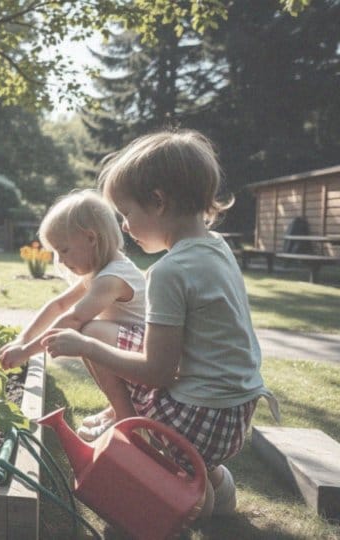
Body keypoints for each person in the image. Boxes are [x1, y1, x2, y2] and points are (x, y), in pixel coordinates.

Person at [40, 129, 278, 518]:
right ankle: (204, 470)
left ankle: (183, 479)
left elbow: (157, 372)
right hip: (234, 412)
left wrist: (85, 348)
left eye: (127, 213)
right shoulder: (216, 247)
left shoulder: (171, 270)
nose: (126, 227)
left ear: (158, 201)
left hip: (203, 415)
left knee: (93, 340)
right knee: (98, 330)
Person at [0, 190, 146, 441]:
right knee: (88, 336)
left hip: (146, 355)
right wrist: (22, 339)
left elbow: (73, 319)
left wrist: (26, 352)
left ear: (91, 238)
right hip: (130, 347)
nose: (61, 260)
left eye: (64, 250)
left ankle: (128, 423)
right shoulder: (101, 271)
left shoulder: (112, 277)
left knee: (88, 332)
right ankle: (118, 409)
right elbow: (58, 305)